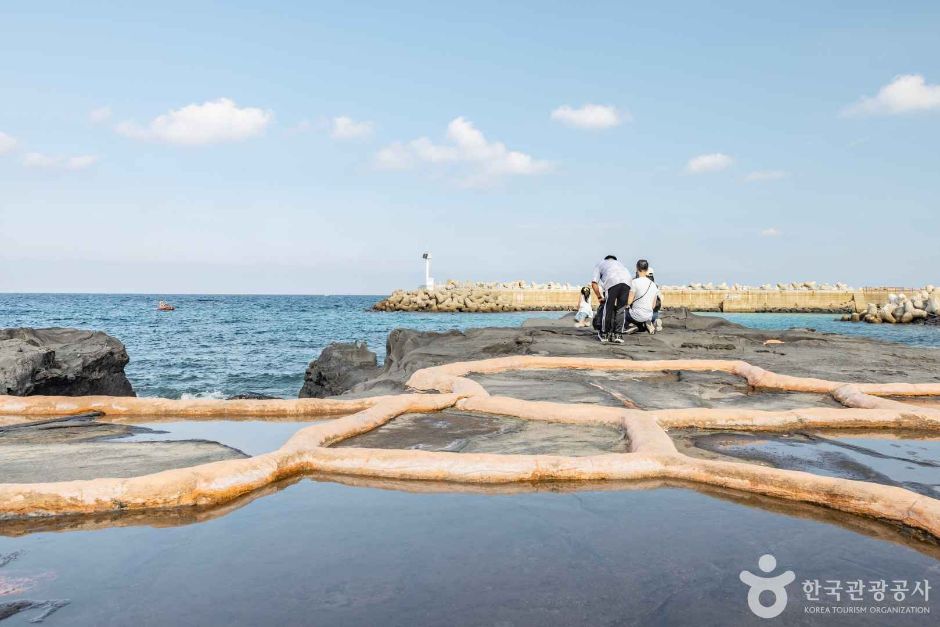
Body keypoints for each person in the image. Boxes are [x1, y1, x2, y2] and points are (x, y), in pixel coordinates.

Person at [591, 255, 633, 343]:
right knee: (621, 309)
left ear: (606, 259)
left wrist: (599, 297)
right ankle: (618, 335)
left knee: (608, 308)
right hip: (627, 281)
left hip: (612, 281)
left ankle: (604, 334)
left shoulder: (600, 264)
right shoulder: (620, 264)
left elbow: (594, 283)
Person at [623, 259, 661, 335]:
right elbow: (653, 306)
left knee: (622, 313)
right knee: (655, 315)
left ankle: (631, 326)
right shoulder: (653, 285)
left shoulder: (634, 282)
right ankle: (648, 324)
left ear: (637, 268)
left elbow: (629, 302)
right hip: (649, 316)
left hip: (635, 316)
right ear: (647, 269)